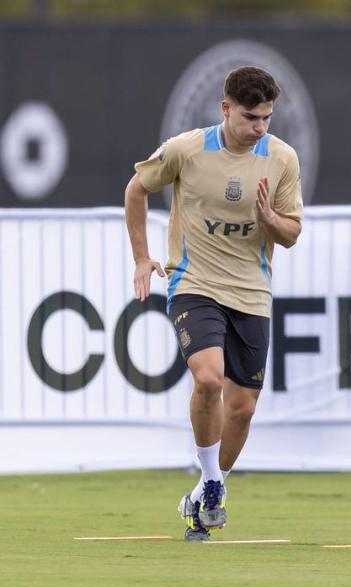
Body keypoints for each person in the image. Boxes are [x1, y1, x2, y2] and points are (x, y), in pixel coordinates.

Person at [124, 66, 303, 540]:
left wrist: (269, 220)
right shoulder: (186, 149)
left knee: (242, 407)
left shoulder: (282, 158)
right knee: (207, 378)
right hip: (194, 282)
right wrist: (143, 257)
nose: (260, 127)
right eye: (250, 117)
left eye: (267, 117)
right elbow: (136, 189)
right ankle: (211, 484)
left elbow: (292, 233)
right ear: (225, 109)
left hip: (251, 291)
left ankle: (205, 489)